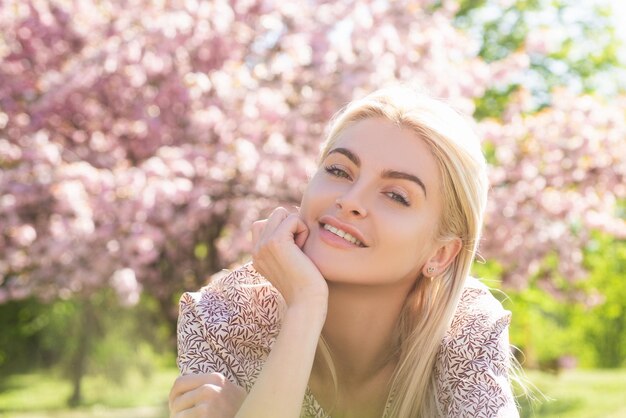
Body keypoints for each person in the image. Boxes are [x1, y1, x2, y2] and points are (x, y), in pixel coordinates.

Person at [169, 86, 519, 417]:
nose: (350, 200)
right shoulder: (221, 318)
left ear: (441, 254)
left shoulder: (465, 328)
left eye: (396, 195)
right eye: (339, 170)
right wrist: (305, 304)